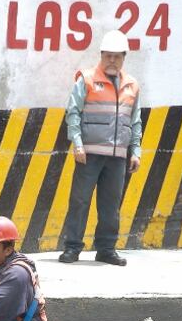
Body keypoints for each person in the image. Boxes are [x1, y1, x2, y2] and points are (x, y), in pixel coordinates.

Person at [58, 30, 142, 267]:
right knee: (80, 201)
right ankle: (72, 247)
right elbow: (73, 112)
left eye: (117, 56)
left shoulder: (132, 85)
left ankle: (106, 249)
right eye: (108, 56)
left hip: (118, 157)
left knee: (111, 205)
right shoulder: (86, 79)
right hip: (89, 154)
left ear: (124, 57)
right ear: (101, 55)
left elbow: (135, 120)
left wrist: (135, 151)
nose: (112, 61)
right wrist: (77, 143)